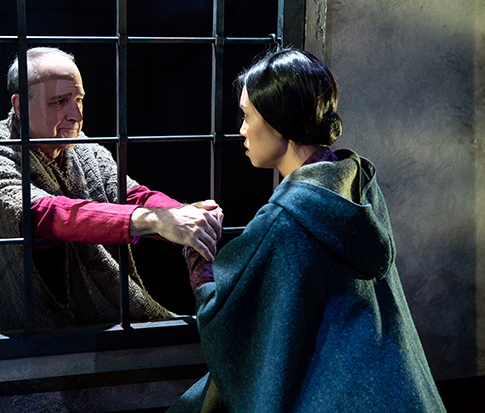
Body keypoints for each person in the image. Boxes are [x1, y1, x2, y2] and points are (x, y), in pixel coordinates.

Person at [167, 48, 445, 412]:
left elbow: (227, 318)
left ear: (277, 120)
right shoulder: (357, 185)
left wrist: (198, 258)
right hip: (401, 392)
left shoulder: (286, 218)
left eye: (248, 116)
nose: (242, 130)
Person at [0, 47, 223, 332]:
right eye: (60, 101)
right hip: (37, 333)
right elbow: (43, 214)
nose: (76, 114)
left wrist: (185, 214)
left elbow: (133, 195)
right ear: (21, 106)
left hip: (108, 326)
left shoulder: (87, 150)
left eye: (79, 100)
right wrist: (156, 220)